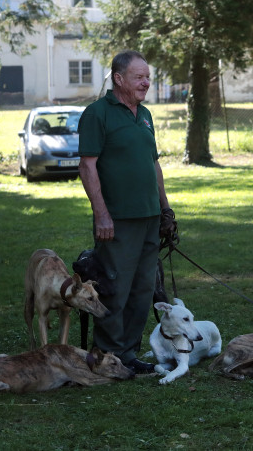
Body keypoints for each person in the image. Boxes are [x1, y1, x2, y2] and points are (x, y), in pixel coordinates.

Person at [78, 50, 174, 374]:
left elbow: (153, 165)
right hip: (117, 221)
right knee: (114, 289)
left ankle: (129, 354)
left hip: (149, 219)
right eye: (139, 77)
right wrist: (101, 214)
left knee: (142, 289)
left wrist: (165, 209)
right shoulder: (97, 114)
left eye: (148, 76)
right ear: (119, 79)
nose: (146, 82)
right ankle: (107, 357)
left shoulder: (145, 115)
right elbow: (87, 166)